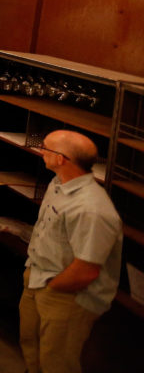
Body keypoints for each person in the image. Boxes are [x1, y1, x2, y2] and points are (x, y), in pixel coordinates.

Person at [20, 130, 123, 373]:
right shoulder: (58, 183)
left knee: (56, 361)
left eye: (46, 147)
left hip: (66, 294)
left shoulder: (92, 209)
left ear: (61, 159)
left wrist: (52, 287)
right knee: (31, 348)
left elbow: (86, 271)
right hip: (38, 278)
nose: (41, 151)